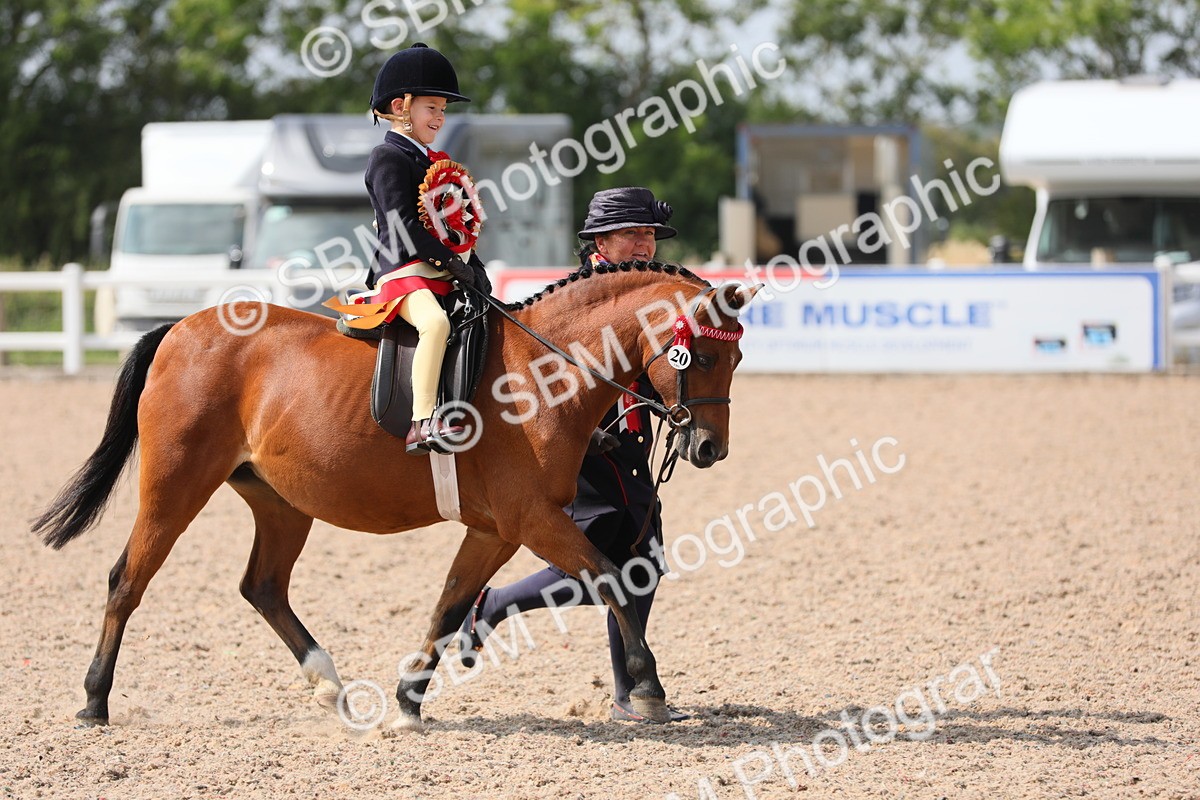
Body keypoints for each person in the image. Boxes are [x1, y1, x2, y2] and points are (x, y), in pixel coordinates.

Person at [458, 187, 688, 723]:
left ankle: (629, 692)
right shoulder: (575, 300)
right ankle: (496, 607)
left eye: (650, 235)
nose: (645, 245)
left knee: (643, 566)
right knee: (600, 566)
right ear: (600, 242)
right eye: (633, 234)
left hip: (631, 444)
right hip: (585, 447)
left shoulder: (652, 298)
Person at [336, 42, 489, 454]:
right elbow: (401, 226)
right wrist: (450, 261)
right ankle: (422, 421)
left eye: (443, 110)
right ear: (400, 107)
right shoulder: (388, 157)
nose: (440, 117)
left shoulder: (436, 161)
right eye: (431, 108)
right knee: (435, 325)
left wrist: (473, 264)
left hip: (442, 271)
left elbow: (454, 226)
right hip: (403, 273)